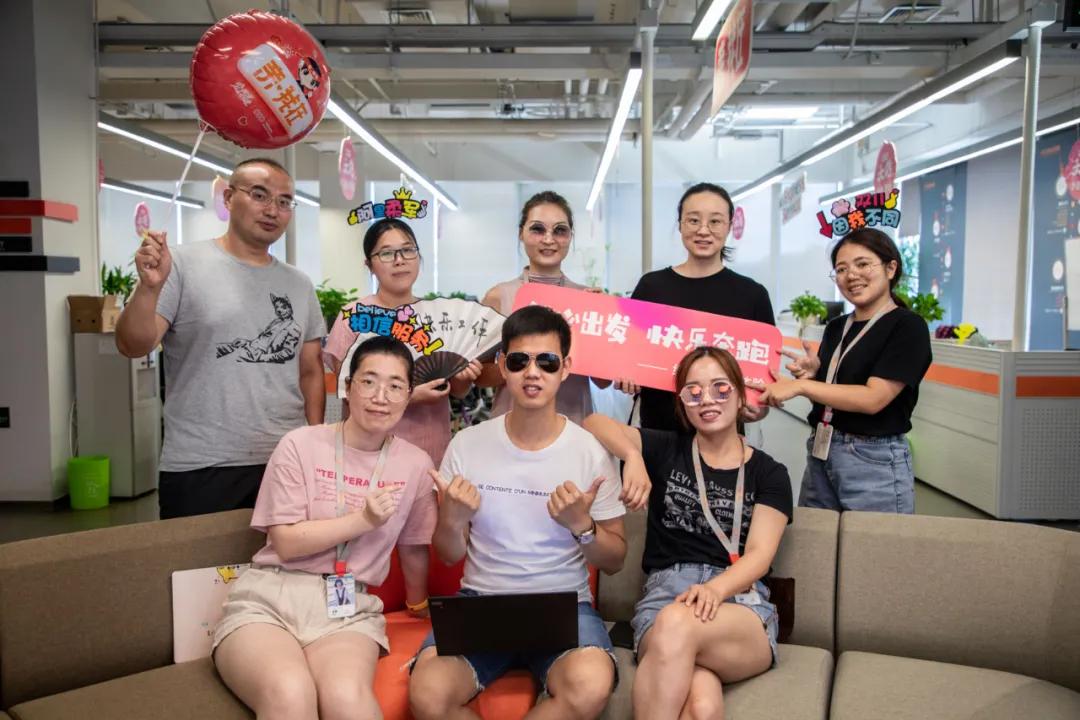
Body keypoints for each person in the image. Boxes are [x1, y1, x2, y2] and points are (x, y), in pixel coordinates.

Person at [408, 305, 627, 720]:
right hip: (481, 603)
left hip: (565, 605)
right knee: (427, 696)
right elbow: (449, 556)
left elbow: (615, 560)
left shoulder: (589, 452)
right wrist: (452, 518)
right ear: (502, 366)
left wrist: (582, 527)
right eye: (519, 361)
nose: (532, 373)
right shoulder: (467, 445)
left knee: (589, 688)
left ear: (565, 368)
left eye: (547, 362)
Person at [213, 336, 437, 720]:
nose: (380, 396)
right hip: (271, 599)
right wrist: (362, 521)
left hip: (348, 611)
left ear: (408, 396)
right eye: (368, 381)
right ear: (348, 387)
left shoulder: (415, 464)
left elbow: (413, 547)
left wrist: (419, 607)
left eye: (395, 386)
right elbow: (285, 541)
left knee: (348, 699)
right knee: (290, 691)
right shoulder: (299, 444)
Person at [584, 346, 792, 719]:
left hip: (739, 604)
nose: (707, 399)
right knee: (703, 707)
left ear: (740, 396)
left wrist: (714, 590)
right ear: (682, 404)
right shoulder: (667, 449)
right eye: (693, 392)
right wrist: (633, 456)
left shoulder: (770, 473)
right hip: (666, 596)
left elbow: (760, 555)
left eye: (720, 389)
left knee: (678, 622)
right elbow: (593, 423)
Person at [116, 158, 325, 519]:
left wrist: (315, 442)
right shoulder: (180, 265)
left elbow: (310, 371)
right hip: (201, 464)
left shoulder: (299, 284)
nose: (272, 210)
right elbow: (132, 345)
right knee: (196, 558)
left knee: (288, 557)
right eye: (259, 195)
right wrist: (149, 289)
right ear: (228, 198)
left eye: (284, 201)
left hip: (285, 461)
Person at [751, 228, 931, 514]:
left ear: (890, 268)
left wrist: (801, 386)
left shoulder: (907, 326)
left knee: (870, 542)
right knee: (816, 537)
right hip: (821, 450)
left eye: (863, 264)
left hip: (874, 458)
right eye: (842, 269)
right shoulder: (837, 327)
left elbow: (873, 399)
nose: (851, 275)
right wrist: (814, 375)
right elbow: (834, 393)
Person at [619, 183, 775, 446]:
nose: (703, 230)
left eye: (715, 221)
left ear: (729, 226)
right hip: (656, 433)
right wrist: (626, 373)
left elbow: (763, 383)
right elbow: (627, 353)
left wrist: (758, 408)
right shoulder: (651, 287)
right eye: (693, 220)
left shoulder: (753, 295)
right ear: (680, 225)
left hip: (722, 441)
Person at [323, 218, 481, 468]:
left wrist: (465, 377)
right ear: (369, 265)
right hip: (369, 453)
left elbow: (457, 391)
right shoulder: (354, 317)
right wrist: (409, 397)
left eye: (408, 250)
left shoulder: (440, 318)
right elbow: (346, 391)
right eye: (386, 253)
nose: (399, 260)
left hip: (429, 450)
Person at [481, 190, 609, 425]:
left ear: (570, 236)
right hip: (512, 424)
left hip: (572, 422)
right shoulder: (499, 297)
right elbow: (480, 376)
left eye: (560, 230)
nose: (549, 239)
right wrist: (520, 363)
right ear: (521, 233)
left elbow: (603, 382)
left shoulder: (587, 300)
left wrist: (603, 323)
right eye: (537, 229)